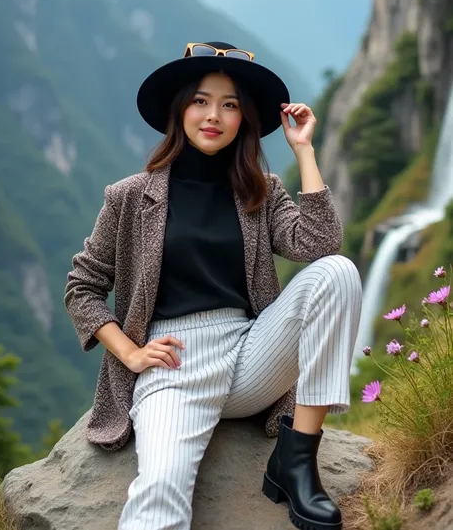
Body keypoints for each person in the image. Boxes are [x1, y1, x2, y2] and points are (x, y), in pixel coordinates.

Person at [64, 41, 363, 530]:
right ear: (179, 108)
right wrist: (131, 354)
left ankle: (297, 462)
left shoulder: (261, 191)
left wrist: (304, 149)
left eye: (230, 105)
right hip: (173, 366)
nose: (213, 115)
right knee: (159, 491)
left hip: (252, 355)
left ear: (244, 119)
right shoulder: (130, 196)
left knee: (338, 272)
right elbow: (83, 286)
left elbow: (321, 242)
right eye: (201, 100)